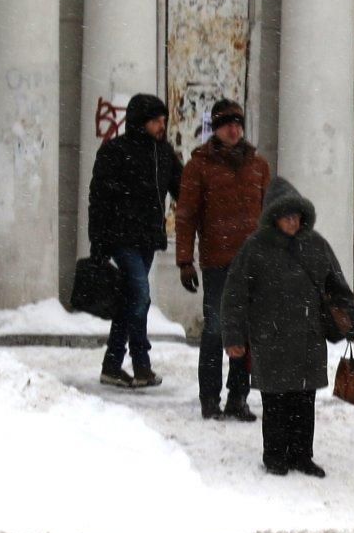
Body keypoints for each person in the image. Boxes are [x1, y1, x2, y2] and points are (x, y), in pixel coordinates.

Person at [220, 178, 354, 478]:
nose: (293, 222)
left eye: (297, 216)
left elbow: (338, 287)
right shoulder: (255, 248)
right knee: (275, 400)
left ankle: (301, 455)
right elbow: (235, 295)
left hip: (308, 338)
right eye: (287, 216)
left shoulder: (316, 245)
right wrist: (233, 336)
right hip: (269, 338)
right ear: (274, 217)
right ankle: (275, 456)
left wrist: (353, 321)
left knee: (304, 399)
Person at [174, 97, 271, 421]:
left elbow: (270, 214)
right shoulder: (199, 166)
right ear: (215, 129)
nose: (234, 129)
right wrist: (185, 260)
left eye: (238, 123)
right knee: (215, 330)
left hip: (252, 263)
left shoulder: (258, 166)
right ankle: (209, 398)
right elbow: (186, 216)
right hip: (217, 261)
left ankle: (238, 398)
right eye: (227, 124)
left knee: (246, 333)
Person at [86, 93, 182, 389]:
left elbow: (182, 189)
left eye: (164, 120)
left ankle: (116, 365)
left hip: (147, 238)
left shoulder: (163, 154)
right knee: (139, 295)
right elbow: (99, 200)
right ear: (141, 122)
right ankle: (139, 363)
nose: (161, 126)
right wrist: (99, 243)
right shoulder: (115, 152)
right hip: (121, 237)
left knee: (132, 299)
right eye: (156, 121)